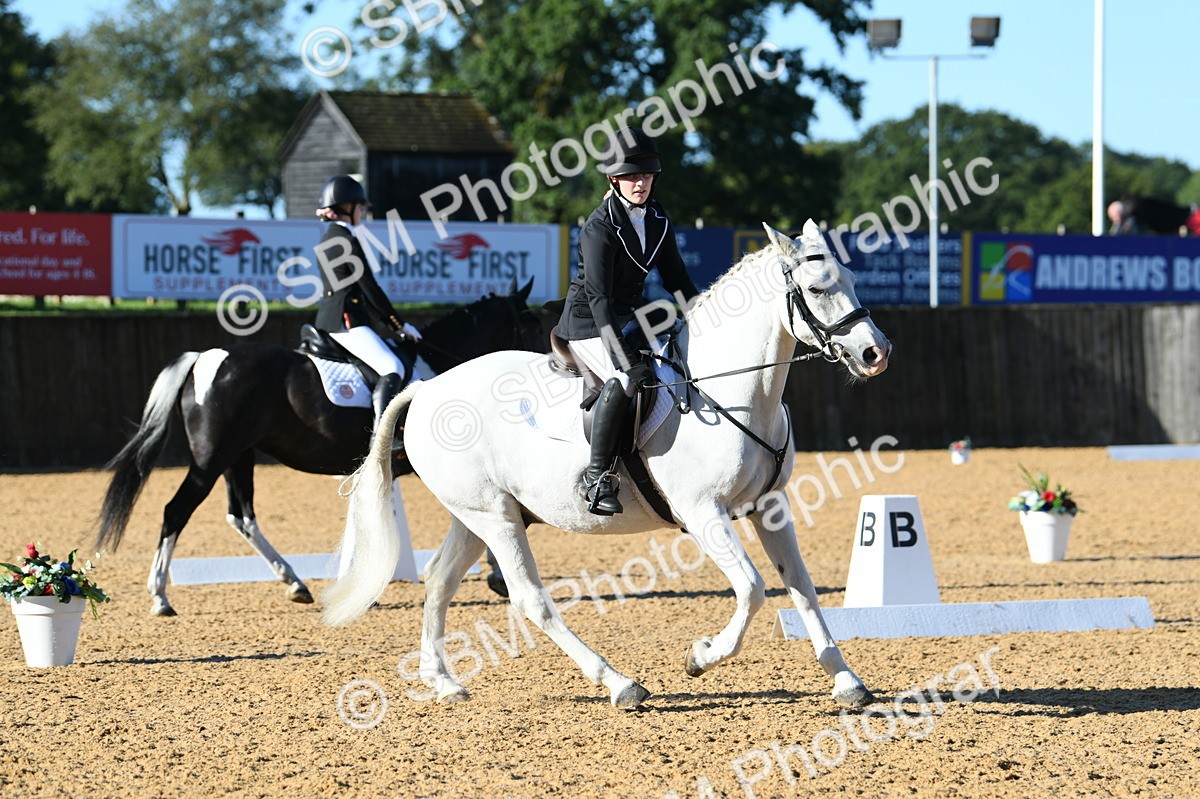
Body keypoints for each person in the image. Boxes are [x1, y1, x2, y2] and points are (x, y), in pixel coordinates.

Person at [556, 127, 699, 515]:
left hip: (629, 316)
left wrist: (705, 318)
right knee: (626, 379)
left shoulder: (657, 217)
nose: (641, 183)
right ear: (613, 179)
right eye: (632, 176)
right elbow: (600, 300)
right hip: (589, 322)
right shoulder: (599, 227)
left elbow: (677, 280)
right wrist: (623, 359)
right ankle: (597, 477)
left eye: (647, 175)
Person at [312, 174, 422, 437]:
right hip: (347, 321)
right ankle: (382, 438)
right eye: (360, 207)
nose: (362, 212)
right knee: (392, 367)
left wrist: (389, 324)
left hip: (336, 317)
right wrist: (399, 324)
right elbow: (370, 289)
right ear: (346, 208)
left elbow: (360, 292)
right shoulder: (346, 241)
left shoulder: (329, 237)